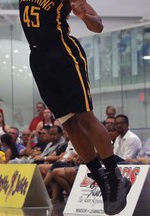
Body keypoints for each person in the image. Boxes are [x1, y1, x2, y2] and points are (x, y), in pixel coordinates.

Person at [19, 0, 131, 215]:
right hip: (38, 59)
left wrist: (83, 15)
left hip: (64, 54)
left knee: (84, 116)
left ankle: (115, 177)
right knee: (68, 124)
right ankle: (99, 177)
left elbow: (97, 26)